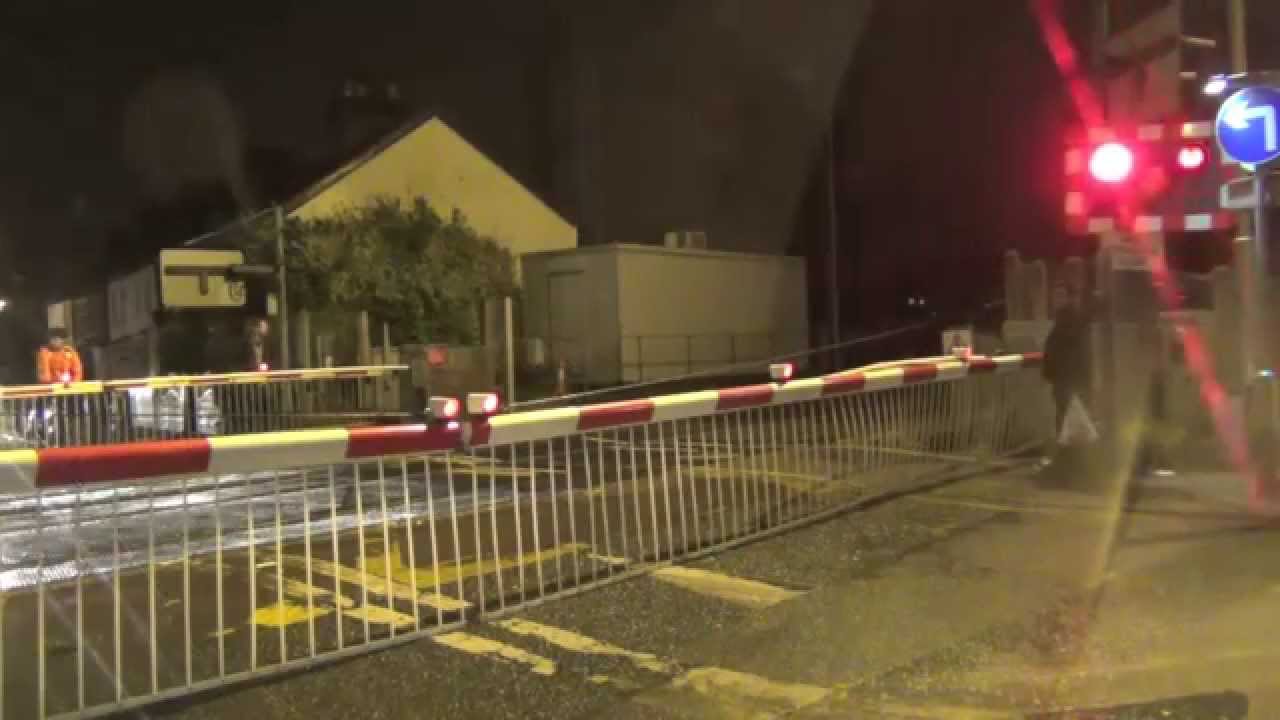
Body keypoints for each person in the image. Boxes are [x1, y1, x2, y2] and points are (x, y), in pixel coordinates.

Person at [1042, 285, 1094, 465]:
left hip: (1067, 380)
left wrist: (1051, 373)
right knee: (1071, 420)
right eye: (1054, 296)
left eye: (1059, 296)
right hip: (1070, 380)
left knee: (1067, 421)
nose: (1054, 300)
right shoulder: (1071, 319)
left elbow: (1060, 352)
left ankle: (1069, 462)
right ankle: (1073, 462)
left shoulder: (1067, 319)